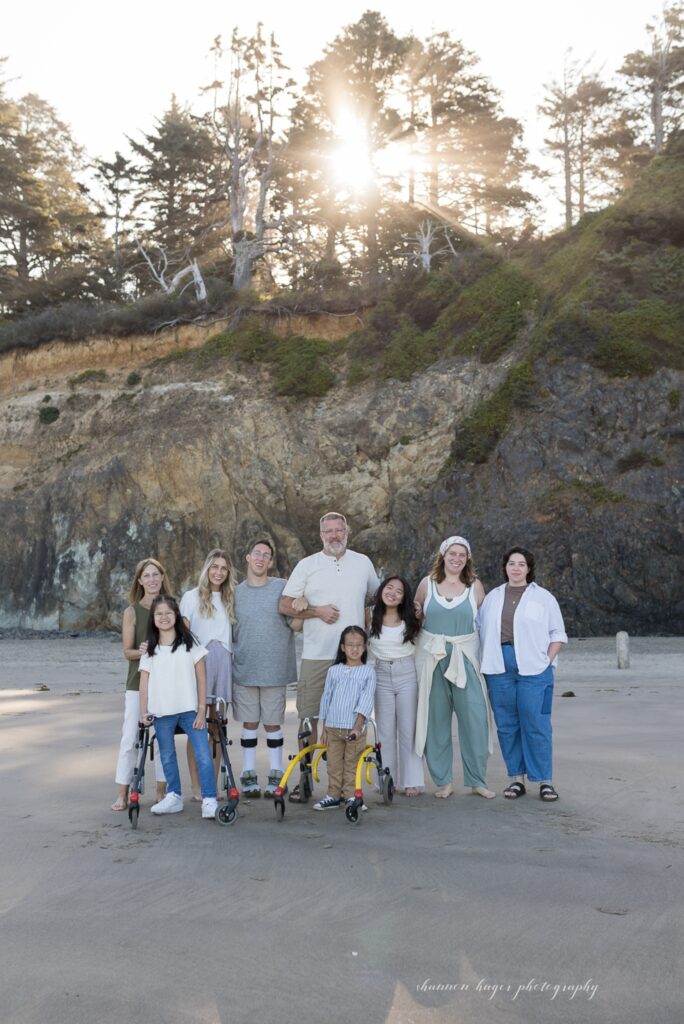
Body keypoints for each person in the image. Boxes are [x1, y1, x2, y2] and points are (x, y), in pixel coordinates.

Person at [278, 512, 379, 802]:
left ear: (347, 532)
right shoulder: (307, 565)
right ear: (321, 535)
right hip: (317, 654)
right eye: (329, 531)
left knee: (353, 718)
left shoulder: (363, 562)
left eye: (339, 530)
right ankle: (305, 779)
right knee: (308, 717)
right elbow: (284, 604)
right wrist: (316, 611)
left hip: (353, 656)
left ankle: (348, 784)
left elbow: (376, 597)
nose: (335, 535)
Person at [478, 547, 568, 802]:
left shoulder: (544, 597)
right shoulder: (492, 597)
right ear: (505, 567)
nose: (516, 568)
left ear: (529, 568)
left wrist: (546, 661)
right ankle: (517, 779)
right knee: (507, 725)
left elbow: (557, 633)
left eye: (521, 564)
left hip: (535, 667)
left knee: (536, 723)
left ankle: (544, 781)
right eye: (511, 563)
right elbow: (478, 628)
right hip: (498, 666)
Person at [414, 536, 495, 800]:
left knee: (475, 719)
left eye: (462, 554)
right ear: (443, 555)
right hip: (433, 660)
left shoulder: (475, 586)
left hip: (465, 659)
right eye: (452, 553)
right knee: (436, 721)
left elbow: (487, 625)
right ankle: (444, 781)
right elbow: (415, 619)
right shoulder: (426, 584)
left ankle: (477, 780)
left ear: (467, 558)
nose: (457, 558)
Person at [232, 538, 302, 798]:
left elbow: (296, 623)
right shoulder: (235, 593)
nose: (261, 558)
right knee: (249, 723)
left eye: (266, 555)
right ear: (248, 557)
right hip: (244, 668)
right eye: (257, 553)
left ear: (271, 562)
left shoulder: (282, 588)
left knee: (273, 724)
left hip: (274, 669)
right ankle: (248, 773)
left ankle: (276, 773)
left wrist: (303, 608)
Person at [138, 595, 218, 819]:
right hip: (162, 712)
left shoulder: (190, 644)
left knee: (203, 754)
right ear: (153, 618)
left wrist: (201, 710)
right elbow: (144, 684)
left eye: (168, 613)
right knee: (167, 755)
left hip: (190, 710)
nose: (164, 617)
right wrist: (143, 711)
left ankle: (209, 799)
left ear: (176, 616)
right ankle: (174, 796)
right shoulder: (150, 649)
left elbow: (202, 678)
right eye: (159, 614)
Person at [112, 557, 171, 812]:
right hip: (137, 684)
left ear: (162, 577)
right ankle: (122, 794)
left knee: (162, 739)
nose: (152, 579)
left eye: (156, 574)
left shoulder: (171, 607)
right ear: (140, 581)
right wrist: (144, 650)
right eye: (146, 575)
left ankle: (161, 793)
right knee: (130, 738)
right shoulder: (131, 612)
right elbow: (127, 651)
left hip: (165, 685)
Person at [180, 548, 235, 795]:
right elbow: (183, 635)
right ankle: (196, 786)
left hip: (223, 663)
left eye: (224, 568)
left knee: (217, 727)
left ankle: (211, 785)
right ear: (207, 568)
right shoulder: (190, 597)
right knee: (197, 727)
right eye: (215, 567)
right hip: (198, 664)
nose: (218, 572)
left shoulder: (230, 598)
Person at [367, 576, 424, 796]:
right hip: (380, 673)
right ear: (381, 590)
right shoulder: (369, 615)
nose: (392, 593)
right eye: (389, 588)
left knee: (408, 729)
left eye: (399, 591)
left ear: (403, 598)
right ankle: (386, 779)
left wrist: (420, 611)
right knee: (385, 731)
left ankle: (411, 781)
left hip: (407, 673)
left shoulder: (412, 618)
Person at [314, 626, 376, 811]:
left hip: (354, 729)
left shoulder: (368, 672)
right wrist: (324, 727)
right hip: (333, 727)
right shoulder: (334, 671)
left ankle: (351, 797)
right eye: (350, 645)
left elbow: (366, 700)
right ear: (343, 647)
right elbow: (326, 697)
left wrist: (358, 727)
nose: (354, 649)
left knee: (351, 764)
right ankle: (333, 796)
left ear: (364, 648)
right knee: (333, 764)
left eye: (359, 645)